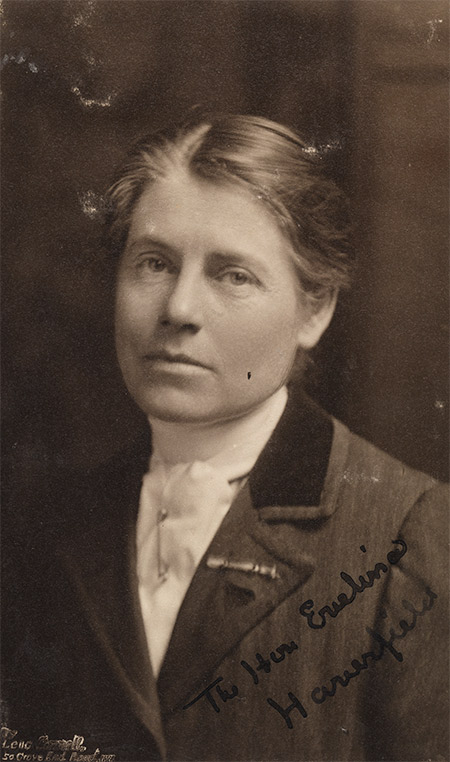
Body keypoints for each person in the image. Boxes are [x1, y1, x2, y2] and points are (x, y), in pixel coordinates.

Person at [2, 114, 448, 762]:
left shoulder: (409, 534)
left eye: (233, 275)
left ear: (315, 309)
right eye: (154, 263)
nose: (179, 309)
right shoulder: (46, 522)